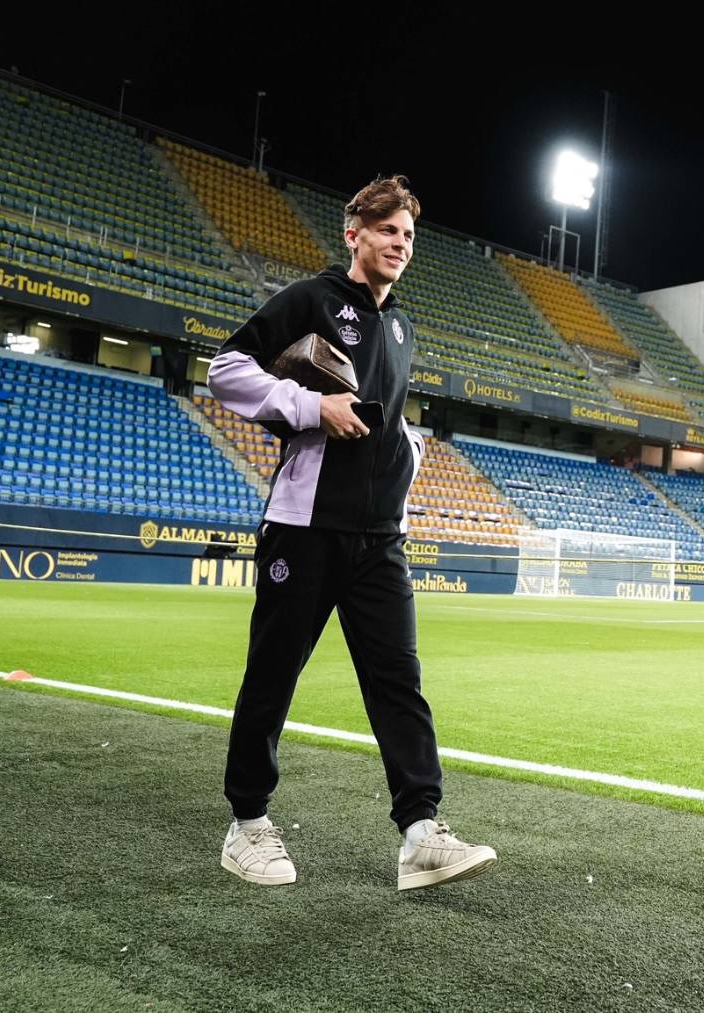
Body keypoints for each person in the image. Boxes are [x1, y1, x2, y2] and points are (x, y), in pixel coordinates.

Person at [205, 175, 495, 891]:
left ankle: (422, 832)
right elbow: (224, 369)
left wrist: (408, 455)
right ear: (354, 233)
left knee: (399, 680)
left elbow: (387, 414)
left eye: (409, 236)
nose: (400, 244)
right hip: (304, 527)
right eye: (388, 230)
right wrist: (308, 405)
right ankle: (246, 824)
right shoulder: (310, 300)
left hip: (380, 538)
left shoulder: (401, 326)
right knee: (273, 675)